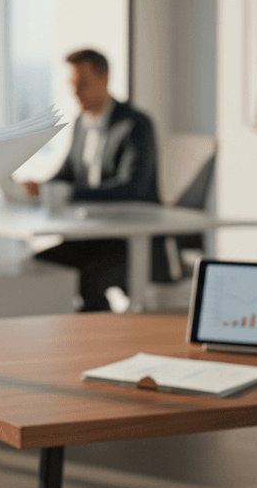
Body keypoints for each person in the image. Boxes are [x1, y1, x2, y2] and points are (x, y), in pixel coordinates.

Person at [27, 49, 160, 312]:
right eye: (73, 85)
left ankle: (97, 333)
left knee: (89, 278)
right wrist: (40, 189)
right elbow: (66, 174)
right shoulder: (81, 123)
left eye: (83, 84)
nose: (76, 93)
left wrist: (68, 193)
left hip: (130, 240)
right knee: (41, 264)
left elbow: (131, 189)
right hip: (91, 234)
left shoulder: (135, 124)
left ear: (105, 79)